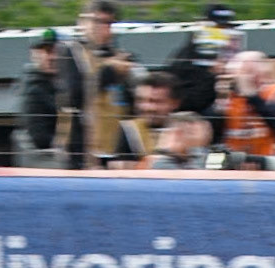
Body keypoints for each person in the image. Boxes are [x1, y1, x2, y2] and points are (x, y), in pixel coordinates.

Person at [56, 0, 138, 168]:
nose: (101, 28)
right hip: (82, 145)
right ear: (82, 23)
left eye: (108, 23)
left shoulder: (119, 56)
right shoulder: (71, 52)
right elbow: (74, 95)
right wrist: (109, 73)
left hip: (117, 144)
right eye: (96, 21)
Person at [215, 50, 275, 163]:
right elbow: (214, 131)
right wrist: (219, 99)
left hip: (268, 162)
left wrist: (252, 95)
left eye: (247, 70)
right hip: (234, 163)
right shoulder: (229, 96)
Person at [165, 4, 241, 115]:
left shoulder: (233, 55)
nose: (222, 32)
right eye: (217, 27)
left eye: (226, 27)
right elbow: (187, 98)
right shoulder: (187, 57)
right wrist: (211, 75)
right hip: (194, 115)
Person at [108, 71, 179, 166]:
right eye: (140, 100)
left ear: (174, 103)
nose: (146, 107)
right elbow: (120, 170)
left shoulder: (185, 129)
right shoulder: (130, 130)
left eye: (155, 101)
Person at [16, 30, 61, 156]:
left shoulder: (61, 83)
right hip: (48, 161)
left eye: (56, 51)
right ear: (35, 54)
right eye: (48, 52)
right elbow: (40, 139)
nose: (53, 57)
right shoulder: (33, 90)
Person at [146, 111, 211, 168]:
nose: (203, 136)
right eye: (193, 132)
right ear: (178, 133)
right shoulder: (162, 162)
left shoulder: (195, 155)